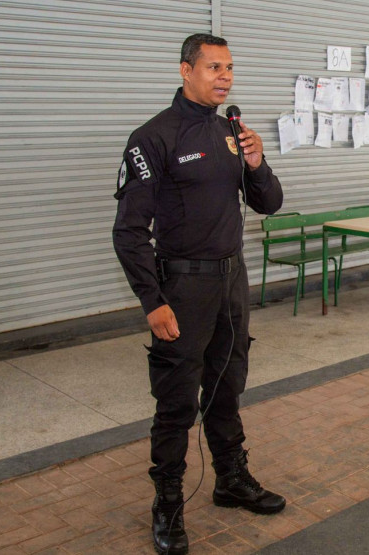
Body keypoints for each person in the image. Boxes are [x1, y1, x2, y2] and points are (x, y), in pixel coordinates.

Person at [112, 33, 285, 555]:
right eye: (214, 67)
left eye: (229, 68)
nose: (225, 77)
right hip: (183, 286)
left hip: (232, 281)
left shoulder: (231, 131)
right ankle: (167, 504)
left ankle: (231, 479)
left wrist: (256, 161)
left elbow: (270, 203)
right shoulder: (153, 138)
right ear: (185, 69)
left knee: (228, 384)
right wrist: (152, 300)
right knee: (176, 401)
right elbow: (128, 231)